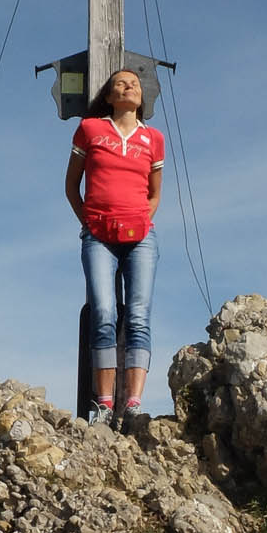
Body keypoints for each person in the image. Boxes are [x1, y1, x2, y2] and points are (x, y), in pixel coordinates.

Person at [65, 67, 163, 430]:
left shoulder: (153, 138)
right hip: (98, 237)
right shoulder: (90, 130)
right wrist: (90, 222)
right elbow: (72, 186)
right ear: (109, 95)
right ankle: (104, 405)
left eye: (134, 83)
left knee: (138, 316)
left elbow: (154, 193)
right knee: (103, 312)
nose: (129, 86)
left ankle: (133, 404)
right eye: (121, 83)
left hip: (141, 238)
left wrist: (140, 221)